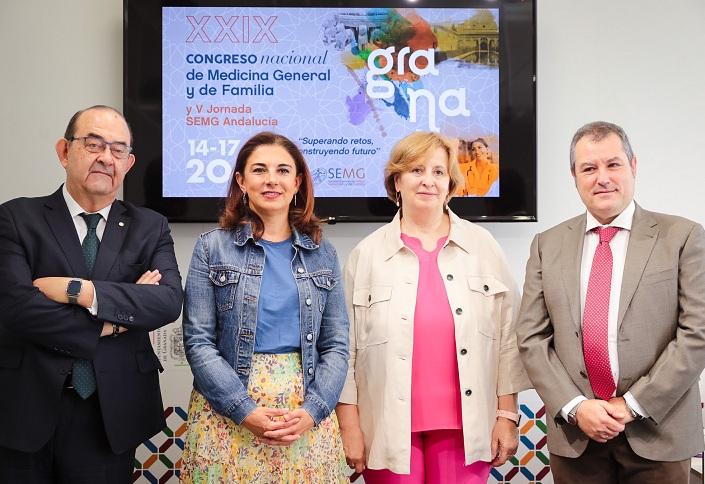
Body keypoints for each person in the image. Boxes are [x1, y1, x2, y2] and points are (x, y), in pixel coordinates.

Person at [0, 105, 184, 483]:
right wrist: (115, 322)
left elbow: (167, 301)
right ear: (64, 152)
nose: (105, 157)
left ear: (128, 163)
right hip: (24, 405)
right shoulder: (16, 218)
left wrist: (78, 291)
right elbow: (16, 308)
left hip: (109, 411)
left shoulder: (150, 227)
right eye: (93, 144)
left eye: (117, 150)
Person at [516, 121, 705, 483]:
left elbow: (697, 332)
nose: (602, 177)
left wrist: (631, 405)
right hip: (576, 437)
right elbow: (531, 338)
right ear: (575, 176)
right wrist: (576, 407)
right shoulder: (547, 245)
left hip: (658, 432)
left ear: (633, 166)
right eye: (589, 168)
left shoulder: (682, 236)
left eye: (613, 164)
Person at [337, 131, 530, 483]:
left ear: (451, 183)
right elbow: (344, 349)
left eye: (438, 172)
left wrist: (507, 414)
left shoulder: (482, 246)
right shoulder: (366, 255)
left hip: (467, 428)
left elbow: (507, 337)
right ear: (396, 180)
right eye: (416, 170)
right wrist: (349, 426)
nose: (428, 181)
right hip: (385, 428)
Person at [180, 131, 349, 483]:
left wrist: (313, 410)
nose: (272, 179)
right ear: (241, 181)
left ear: (298, 182)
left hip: (303, 416)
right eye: (259, 170)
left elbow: (335, 345)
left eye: (283, 170)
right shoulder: (211, 249)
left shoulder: (324, 254)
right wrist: (244, 411)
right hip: (228, 413)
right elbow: (198, 343)